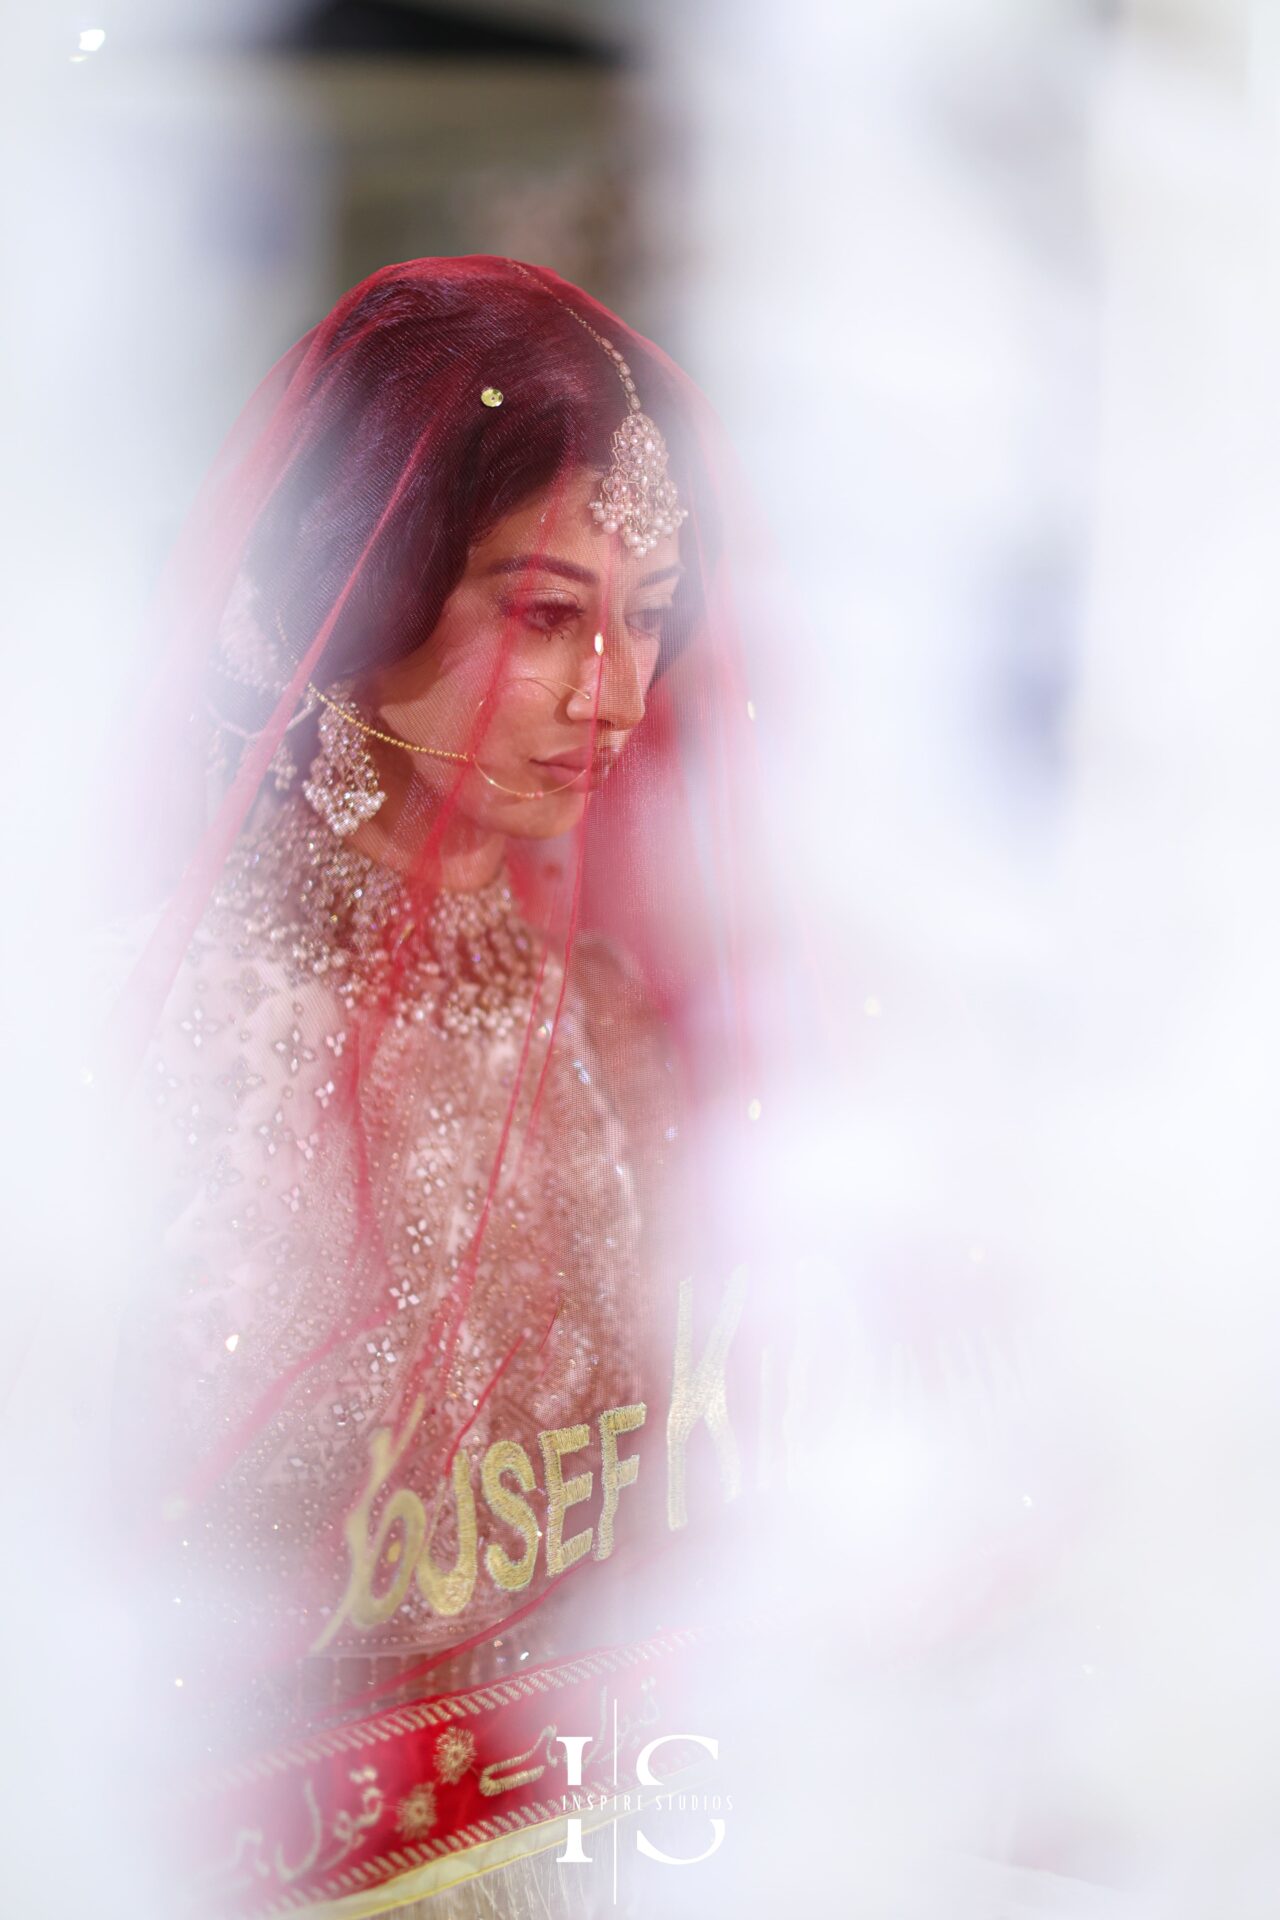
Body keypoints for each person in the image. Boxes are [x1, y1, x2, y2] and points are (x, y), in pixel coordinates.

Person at [98, 255, 763, 1918]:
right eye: (547, 613)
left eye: (648, 615)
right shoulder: (166, 1038)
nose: (612, 695)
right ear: (356, 580)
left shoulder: (611, 1031)